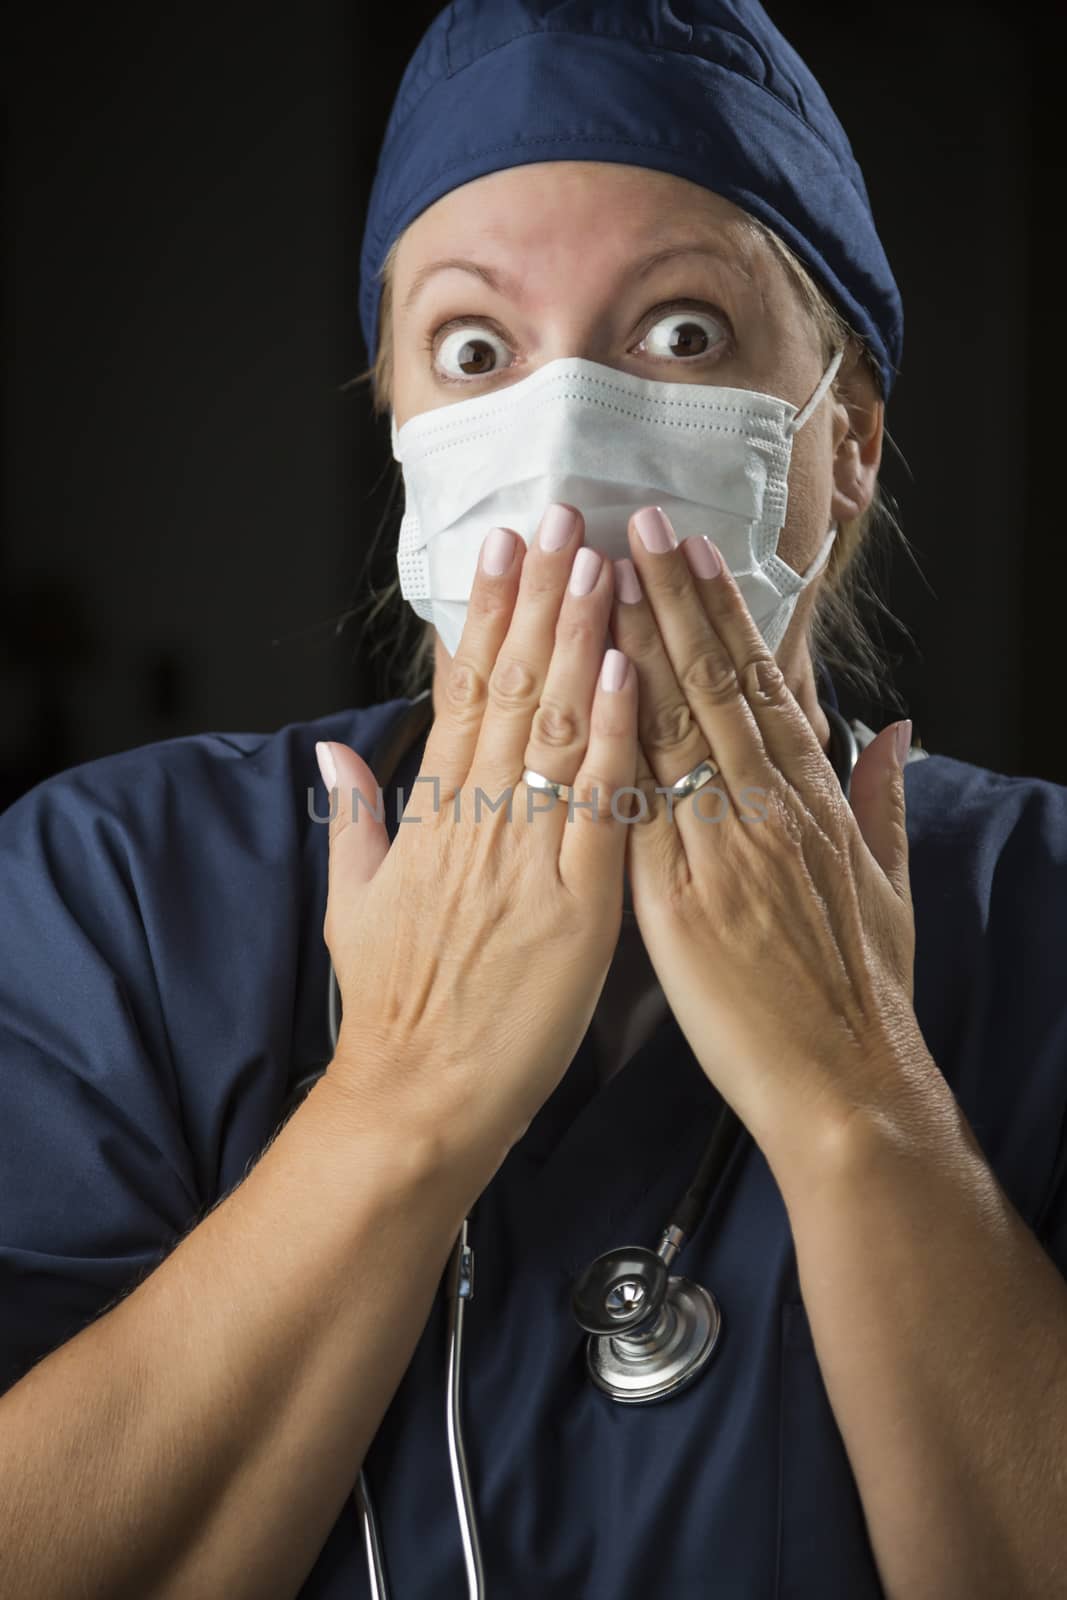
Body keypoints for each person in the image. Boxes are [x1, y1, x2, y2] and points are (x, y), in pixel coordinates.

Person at [1, 3, 1065, 1597]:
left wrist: (864, 1101)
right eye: (478, 350)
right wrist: (403, 1098)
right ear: (407, 443)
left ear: (843, 445)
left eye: (683, 332)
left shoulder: (1043, 908)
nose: (567, 447)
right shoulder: (118, 894)